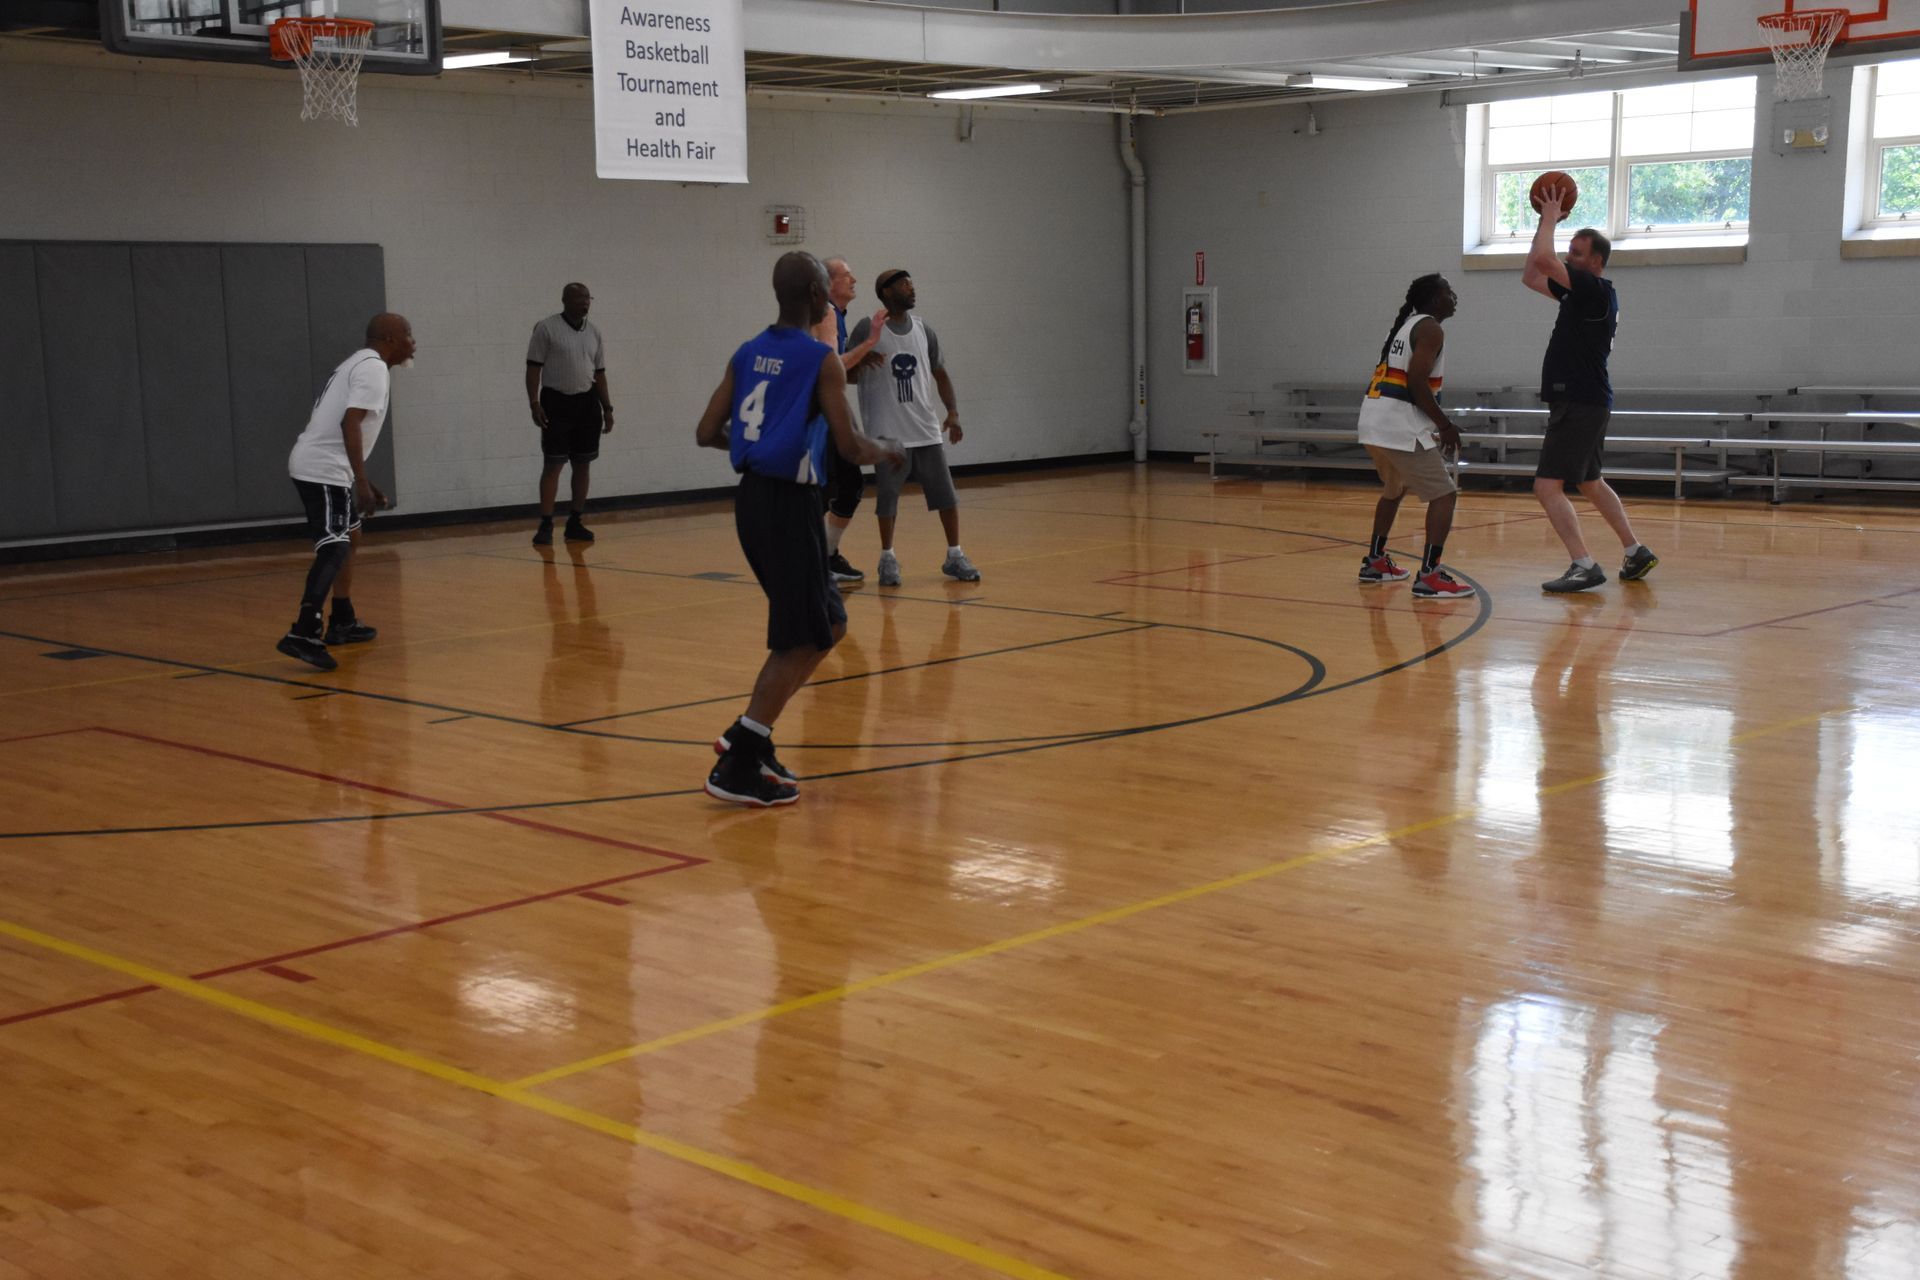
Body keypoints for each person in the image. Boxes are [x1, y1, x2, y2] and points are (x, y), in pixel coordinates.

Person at [694, 252, 904, 807]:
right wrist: (889, 451)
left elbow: (706, 431)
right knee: (801, 636)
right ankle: (741, 756)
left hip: (753, 502)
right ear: (817, 293)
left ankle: (750, 738)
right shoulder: (819, 359)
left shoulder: (747, 352)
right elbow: (848, 445)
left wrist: (753, 448)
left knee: (829, 623)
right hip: (787, 506)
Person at [1523, 192, 1657, 593]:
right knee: (1590, 482)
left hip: (1579, 400)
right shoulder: (1581, 294)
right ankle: (1635, 552)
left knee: (1546, 487)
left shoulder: (1595, 291)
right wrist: (1544, 227)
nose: (1570, 259)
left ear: (1596, 262)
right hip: (1587, 400)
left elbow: (1545, 263)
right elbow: (1531, 274)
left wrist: (1549, 217)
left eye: (1577, 254)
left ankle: (1583, 564)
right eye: (1569, 252)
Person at [276, 313, 414, 671]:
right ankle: (303, 632)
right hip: (322, 470)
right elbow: (349, 421)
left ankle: (342, 619)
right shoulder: (373, 369)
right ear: (389, 339)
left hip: (328, 467)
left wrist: (364, 478)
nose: (413, 342)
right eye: (408, 335)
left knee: (351, 536)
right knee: (335, 546)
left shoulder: (361, 363)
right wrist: (362, 482)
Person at [846, 268, 978, 586]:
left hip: (925, 430)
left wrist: (954, 413)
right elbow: (844, 372)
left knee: (946, 497)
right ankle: (887, 558)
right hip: (887, 434)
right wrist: (860, 361)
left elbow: (940, 373)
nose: (911, 289)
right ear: (886, 292)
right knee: (888, 499)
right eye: (905, 285)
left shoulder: (923, 329)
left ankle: (955, 555)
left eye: (912, 284)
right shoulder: (868, 327)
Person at [1355, 273, 1475, 599]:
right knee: (1444, 495)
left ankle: (1376, 562)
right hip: (1398, 426)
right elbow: (1416, 383)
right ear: (1435, 299)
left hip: (1373, 420)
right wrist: (1445, 425)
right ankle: (1430, 575)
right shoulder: (1431, 328)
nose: (1454, 297)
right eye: (1449, 292)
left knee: (1393, 490)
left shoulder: (1405, 327)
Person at [809, 257, 887, 585]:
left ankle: (824, 557)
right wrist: (868, 342)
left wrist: (860, 362)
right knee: (836, 487)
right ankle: (818, 559)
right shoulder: (825, 311)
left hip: (827, 407)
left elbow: (836, 370)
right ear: (829, 284)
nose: (854, 279)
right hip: (820, 412)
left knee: (844, 485)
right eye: (847, 275)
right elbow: (830, 365)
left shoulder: (833, 313)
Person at [526, 283, 613, 545]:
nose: (585, 302)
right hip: (556, 402)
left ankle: (575, 520)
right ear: (565, 300)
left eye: (588, 298)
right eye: (579, 298)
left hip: (587, 403)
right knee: (553, 464)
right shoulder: (546, 328)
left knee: (583, 463)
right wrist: (534, 403)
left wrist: (607, 408)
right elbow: (533, 369)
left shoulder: (594, 332)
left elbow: (600, 374)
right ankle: (546, 523)